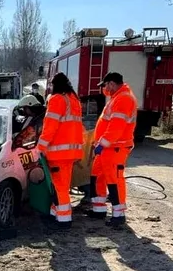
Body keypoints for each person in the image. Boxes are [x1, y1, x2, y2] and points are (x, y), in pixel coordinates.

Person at [86, 72, 138, 228]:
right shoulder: (117, 98)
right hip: (108, 147)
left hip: (115, 147)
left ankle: (119, 214)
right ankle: (99, 209)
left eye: (105, 85)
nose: (104, 89)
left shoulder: (123, 99)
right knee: (97, 176)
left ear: (112, 84)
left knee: (114, 180)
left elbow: (116, 127)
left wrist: (103, 143)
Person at [37, 72, 84, 230]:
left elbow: (50, 127)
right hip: (71, 152)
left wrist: (40, 147)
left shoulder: (57, 100)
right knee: (63, 185)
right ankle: (55, 214)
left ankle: (63, 220)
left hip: (58, 153)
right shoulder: (74, 100)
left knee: (59, 187)